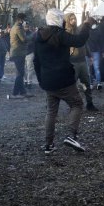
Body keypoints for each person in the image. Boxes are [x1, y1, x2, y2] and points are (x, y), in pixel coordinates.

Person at [34, 9, 91, 154]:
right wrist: (86, 25)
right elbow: (79, 41)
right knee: (77, 104)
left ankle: (48, 145)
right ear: (60, 20)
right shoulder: (60, 35)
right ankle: (71, 135)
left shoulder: (38, 36)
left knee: (51, 112)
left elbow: (36, 61)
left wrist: (41, 80)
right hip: (63, 79)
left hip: (48, 80)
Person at [64, 13, 98, 111]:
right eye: (71, 19)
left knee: (86, 83)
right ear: (67, 20)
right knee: (71, 86)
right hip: (72, 62)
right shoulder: (66, 32)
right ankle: (72, 106)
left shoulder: (79, 30)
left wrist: (90, 55)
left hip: (82, 61)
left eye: (74, 18)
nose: (73, 20)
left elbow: (85, 43)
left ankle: (89, 103)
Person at [9, 13, 31, 98]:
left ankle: (22, 92)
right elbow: (24, 39)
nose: (24, 22)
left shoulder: (15, 27)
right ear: (20, 20)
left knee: (20, 73)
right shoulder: (18, 28)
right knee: (20, 73)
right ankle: (14, 93)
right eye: (24, 19)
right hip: (18, 53)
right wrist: (32, 36)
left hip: (18, 53)